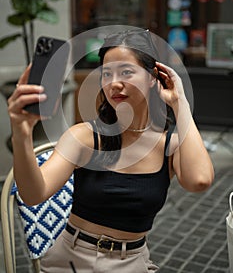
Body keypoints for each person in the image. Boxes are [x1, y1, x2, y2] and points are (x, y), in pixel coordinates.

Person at [7, 28, 214, 273]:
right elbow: (33, 195)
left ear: (153, 77)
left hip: (133, 262)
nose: (114, 83)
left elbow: (199, 181)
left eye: (126, 72)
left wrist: (180, 103)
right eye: (107, 73)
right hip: (72, 259)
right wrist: (22, 133)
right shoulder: (85, 136)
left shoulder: (169, 145)